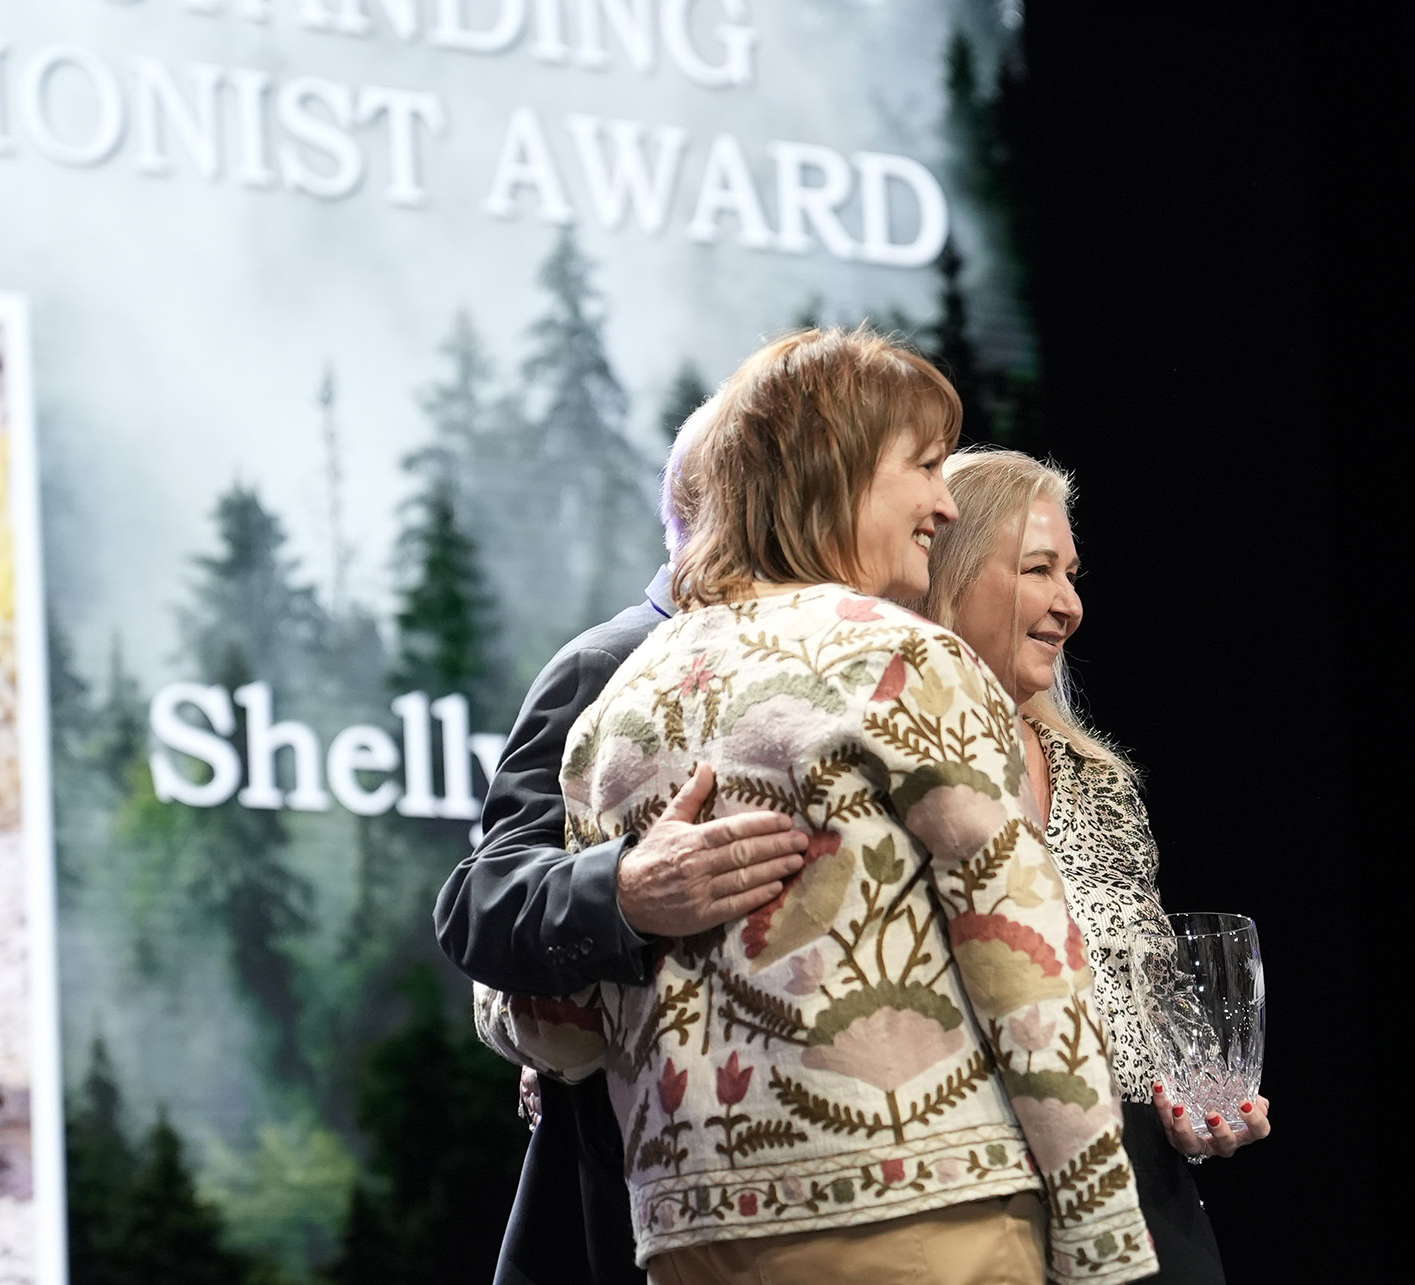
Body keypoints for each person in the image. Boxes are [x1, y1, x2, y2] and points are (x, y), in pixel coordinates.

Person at [473, 327, 1156, 1284]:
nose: (945, 501)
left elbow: (562, 1036)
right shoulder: (906, 658)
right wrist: (1105, 1236)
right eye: (925, 466)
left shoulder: (622, 705)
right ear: (841, 473)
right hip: (919, 1220)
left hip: (690, 1235)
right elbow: (1023, 962)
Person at [434, 396, 811, 1285]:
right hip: (625, 1194)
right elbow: (481, 900)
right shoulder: (610, 661)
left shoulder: (819, 665)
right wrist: (628, 890)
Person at [921, 447, 1269, 1285]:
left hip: (1145, 1198)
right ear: (949, 574)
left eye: (1071, 575)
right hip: (984, 1196)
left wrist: (1200, 1101)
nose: (1069, 605)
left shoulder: (1099, 781)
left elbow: (1158, 990)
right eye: (1038, 569)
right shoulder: (903, 770)